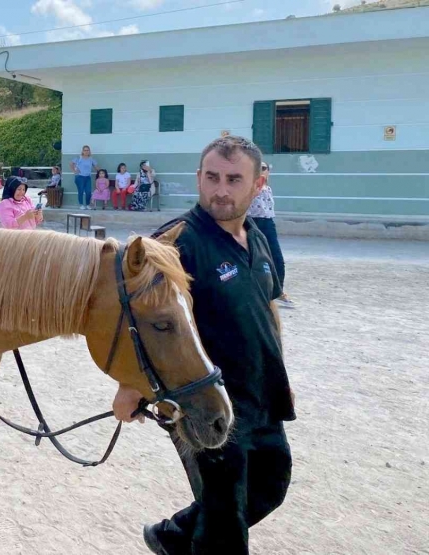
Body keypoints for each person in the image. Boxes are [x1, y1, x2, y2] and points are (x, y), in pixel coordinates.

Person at [113, 136, 295, 555]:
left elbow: (267, 308)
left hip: (262, 392)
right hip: (204, 403)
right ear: (198, 178)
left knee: (270, 485)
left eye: (234, 179)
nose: (221, 190)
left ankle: (174, 537)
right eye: (212, 177)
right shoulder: (175, 242)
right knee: (226, 529)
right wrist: (130, 384)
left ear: (258, 184)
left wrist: (280, 369)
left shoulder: (258, 239)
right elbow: (131, 317)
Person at [248, 162, 295, 308]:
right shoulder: (249, 187)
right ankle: (252, 293)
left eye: (263, 168)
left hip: (268, 223)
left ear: (268, 171)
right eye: (257, 168)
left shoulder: (268, 189)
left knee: (277, 259)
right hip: (251, 223)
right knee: (251, 258)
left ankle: (278, 292)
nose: (260, 171)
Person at [70, 145, 97, 210]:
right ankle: (81, 204)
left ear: (89, 151)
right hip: (79, 177)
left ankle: (87, 204)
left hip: (87, 177)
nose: (86, 151)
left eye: (87, 150)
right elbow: (71, 163)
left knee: (88, 191)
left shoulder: (91, 159)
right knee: (81, 191)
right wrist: (74, 171)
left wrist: (103, 173)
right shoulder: (78, 158)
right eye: (85, 150)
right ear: (82, 151)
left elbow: (96, 167)